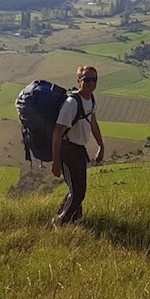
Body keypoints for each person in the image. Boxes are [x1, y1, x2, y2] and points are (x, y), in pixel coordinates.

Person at [51, 65, 106, 226]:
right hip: (67, 150)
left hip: (79, 149)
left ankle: (72, 220)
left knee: (76, 190)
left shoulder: (91, 99)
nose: (91, 83)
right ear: (78, 81)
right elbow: (57, 133)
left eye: (94, 79)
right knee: (78, 193)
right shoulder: (71, 103)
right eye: (86, 79)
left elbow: (93, 123)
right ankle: (61, 222)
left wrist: (101, 145)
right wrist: (55, 162)